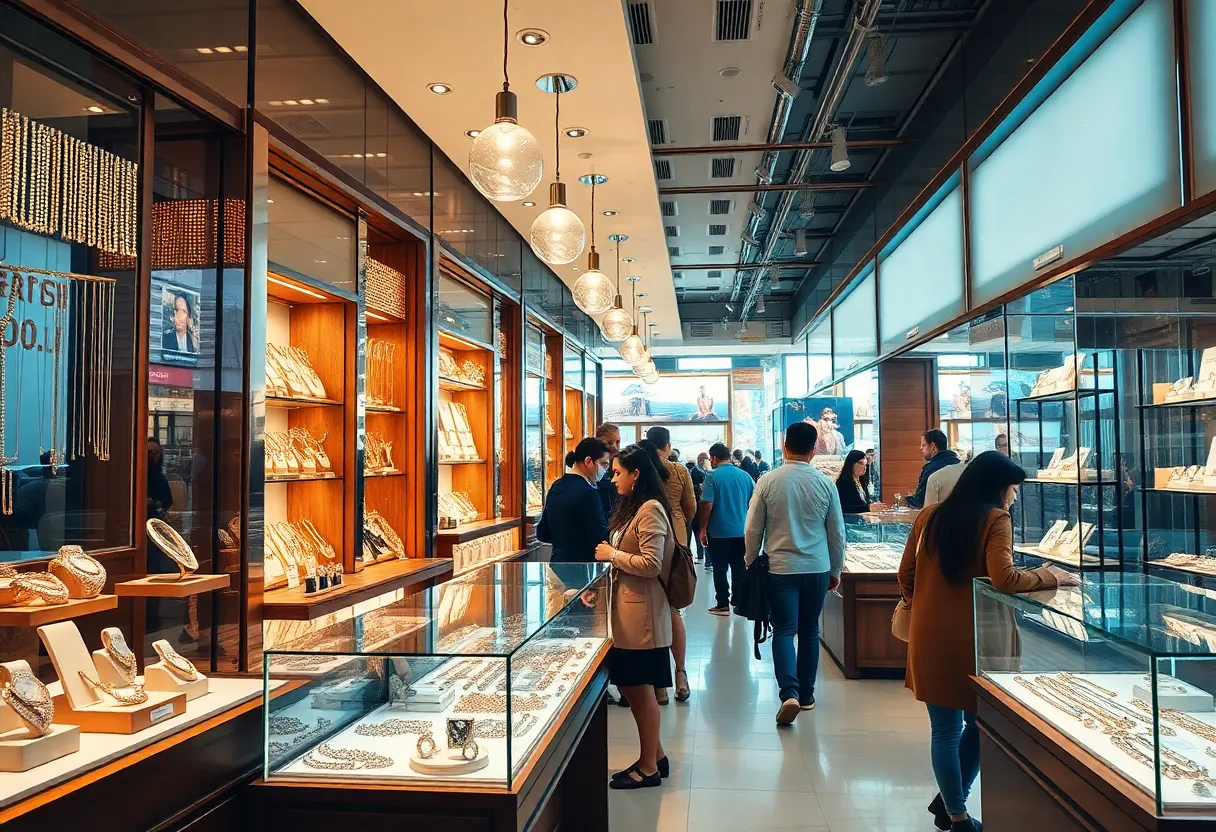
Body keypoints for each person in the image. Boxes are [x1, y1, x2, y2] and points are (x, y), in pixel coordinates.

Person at [898, 451, 1079, 832]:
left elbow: (906, 573)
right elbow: (1005, 579)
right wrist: (1049, 576)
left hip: (930, 635)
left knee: (944, 730)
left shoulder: (929, 516)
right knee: (983, 723)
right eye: (1012, 489)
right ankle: (955, 809)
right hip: (980, 636)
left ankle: (953, 807)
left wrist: (924, 602)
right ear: (998, 488)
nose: (1013, 497)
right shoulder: (995, 519)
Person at [745, 421, 844, 723]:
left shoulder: (768, 480)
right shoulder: (826, 483)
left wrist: (751, 561)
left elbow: (752, 527)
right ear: (815, 449)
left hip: (780, 568)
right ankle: (807, 694)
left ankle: (788, 691)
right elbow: (836, 532)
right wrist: (835, 569)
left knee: (785, 630)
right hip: (816, 567)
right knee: (810, 630)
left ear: (784, 446)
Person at [594, 445, 676, 790]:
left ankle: (648, 767)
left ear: (635, 474)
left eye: (617, 472)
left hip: (642, 615)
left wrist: (612, 554)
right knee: (630, 684)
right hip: (628, 613)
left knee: (639, 689)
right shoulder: (636, 508)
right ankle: (655, 756)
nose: (613, 479)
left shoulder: (650, 509)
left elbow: (652, 563)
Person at [643, 428, 697, 705]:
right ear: (667, 444)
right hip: (675, 542)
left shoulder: (639, 468)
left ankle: (659, 685)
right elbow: (691, 508)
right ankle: (681, 674)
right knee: (674, 609)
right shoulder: (678, 471)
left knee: (652, 613)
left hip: (645, 542)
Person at [697, 442, 755, 616]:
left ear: (714, 458)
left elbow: (707, 504)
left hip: (719, 531)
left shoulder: (713, 477)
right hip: (742, 530)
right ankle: (738, 602)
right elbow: (753, 504)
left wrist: (703, 529)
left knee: (720, 568)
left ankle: (722, 604)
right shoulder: (745, 476)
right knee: (739, 567)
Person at [537, 438, 610, 562]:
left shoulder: (557, 486)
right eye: (604, 464)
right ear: (588, 461)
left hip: (557, 563)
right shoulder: (588, 493)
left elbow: (543, 532)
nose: (605, 469)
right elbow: (600, 536)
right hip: (583, 566)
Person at [906, 429, 959, 509]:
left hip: (939, 516)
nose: (921, 448)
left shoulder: (930, 469)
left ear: (932, 446)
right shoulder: (959, 464)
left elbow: (920, 501)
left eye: (924, 445)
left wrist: (904, 501)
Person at [834, 449, 886, 514]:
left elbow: (864, 502)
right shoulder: (843, 483)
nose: (864, 467)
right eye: (860, 463)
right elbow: (843, 507)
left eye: (865, 464)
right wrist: (868, 508)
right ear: (851, 464)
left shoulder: (861, 482)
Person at [595, 423, 622, 518]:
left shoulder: (621, 462)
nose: (615, 447)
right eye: (610, 443)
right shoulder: (594, 464)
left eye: (618, 442)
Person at [687, 456, 707, 561]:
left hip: (699, 505)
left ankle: (701, 555)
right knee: (697, 531)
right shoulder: (694, 471)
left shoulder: (708, 471)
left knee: (698, 531)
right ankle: (699, 554)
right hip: (697, 505)